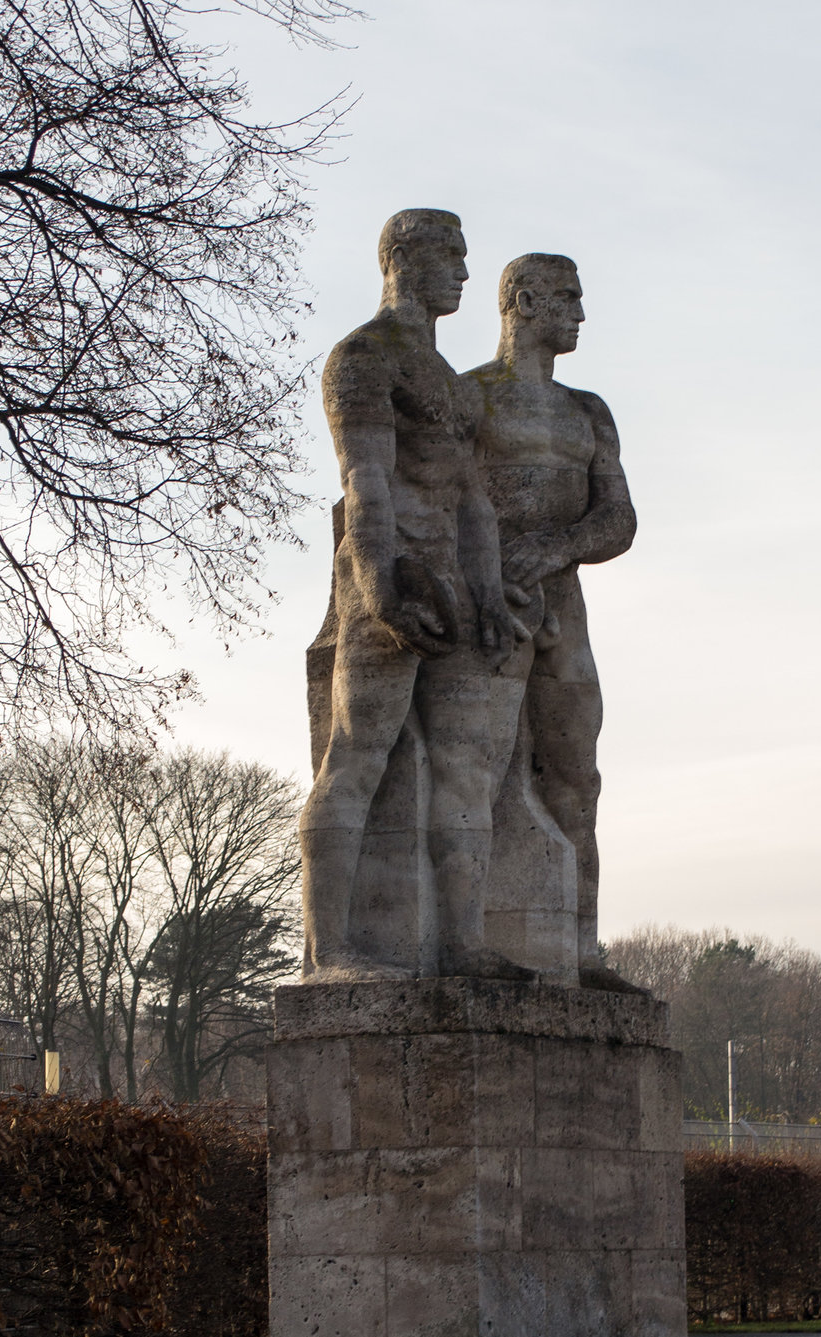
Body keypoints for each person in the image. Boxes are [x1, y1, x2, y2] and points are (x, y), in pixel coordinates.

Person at [298, 209, 533, 983]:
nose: (463, 272)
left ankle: (459, 944)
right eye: (447, 256)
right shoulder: (363, 357)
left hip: (458, 588)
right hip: (390, 578)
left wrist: (490, 594)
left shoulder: (450, 385)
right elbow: (363, 480)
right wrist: (377, 582)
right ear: (400, 258)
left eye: (466, 257)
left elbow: (471, 500)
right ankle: (330, 952)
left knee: (466, 774)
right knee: (356, 757)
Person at [465, 253, 646, 993]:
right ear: (523, 301)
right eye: (566, 298)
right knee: (475, 766)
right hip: (488, 596)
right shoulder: (471, 397)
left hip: (561, 603)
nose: (578, 313)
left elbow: (619, 519)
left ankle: (581, 950)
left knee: (576, 774)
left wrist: (557, 547)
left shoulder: (587, 411)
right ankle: (469, 940)